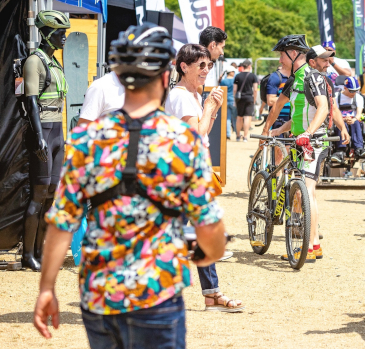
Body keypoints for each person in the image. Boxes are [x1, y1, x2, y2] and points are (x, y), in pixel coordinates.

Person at [33, 24, 229, 347]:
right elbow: (210, 231)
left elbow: (62, 221)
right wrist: (210, 249)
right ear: (166, 78)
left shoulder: (88, 140)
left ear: (120, 77)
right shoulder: (183, 142)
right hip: (158, 295)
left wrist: (46, 288)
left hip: (99, 297)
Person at [166, 44, 245, 312]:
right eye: (201, 65)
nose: (206, 70)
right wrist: (210, 105)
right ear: (183, 66)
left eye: (209, 65)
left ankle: (212, 295)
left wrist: (211, 108)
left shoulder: (192, 94)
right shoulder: (180, 96)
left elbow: (205, 131)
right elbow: (195, 136)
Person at [262, 39, 349, 263]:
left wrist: (309, 133)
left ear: (293, 54)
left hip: (314, 143)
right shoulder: (296, 79)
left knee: (306, 191)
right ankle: (314, 245)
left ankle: (308, 247)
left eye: (282, 54)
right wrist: (277, 129)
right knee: (305, 192)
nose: (280, 59)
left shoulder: (313, 77)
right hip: (301, 142)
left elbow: (324, 107)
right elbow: (299, 114)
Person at [21, 10, 71, 271]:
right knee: (39, 194)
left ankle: (41, 250)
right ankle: (27, 254)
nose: (65, 37)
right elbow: (31, 102)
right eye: (61, 33)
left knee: (52, 195)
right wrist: (39, 136)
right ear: (48, 34)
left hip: (57, 133)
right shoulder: (35, 61)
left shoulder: (55, 62)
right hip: (43, 132)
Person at [332, 76, 365, 163]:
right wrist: (343, 119)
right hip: (340, 120)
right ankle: (340, 150)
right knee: (341, 125)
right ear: (345, 88)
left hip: (353, 121)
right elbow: (334, 113)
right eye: (351, 90)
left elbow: (359, 114)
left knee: (356, 123)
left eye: (356, 90)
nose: (354, 93)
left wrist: (354, 119)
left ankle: (359, 149)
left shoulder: (359, 98)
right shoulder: (336, 97)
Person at [234, 59, 258, 142]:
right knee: (247, 117)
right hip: (249, 97)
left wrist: (234, 100)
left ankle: (237, 136)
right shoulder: (253, 76)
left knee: (239, 117)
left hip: (240, 98)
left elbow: (235, 89)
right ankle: (245, 137)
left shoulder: (238, 76)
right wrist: (254, 100)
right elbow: (255, 89)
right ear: (249, 66)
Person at [219, 67, 237, 140]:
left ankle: (228, 134)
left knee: (227, 118)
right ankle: (237, 133)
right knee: (235, 118)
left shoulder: (223, 81)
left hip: (225, 100)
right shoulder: (235, 80)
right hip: (234, 100)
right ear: (231, 72)